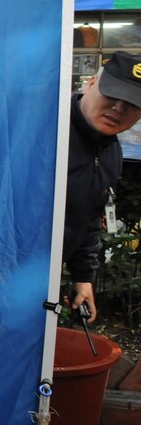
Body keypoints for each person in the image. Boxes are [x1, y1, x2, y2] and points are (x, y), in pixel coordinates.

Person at [62, 52, 141, 324]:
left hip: (42, 279)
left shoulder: (111, 152)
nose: (119, 108)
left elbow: (90, 215)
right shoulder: (46, 131)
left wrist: (83, 277)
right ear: (91, 83)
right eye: (112, 94)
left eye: (131, 103)